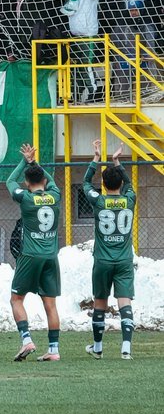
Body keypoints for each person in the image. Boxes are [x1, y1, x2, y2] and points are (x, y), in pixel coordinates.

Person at [6, 142, 62, 362]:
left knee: (16, 299)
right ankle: (54, 350)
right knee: (50, 304)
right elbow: (52, 181)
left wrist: (25, 162)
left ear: (27, 183)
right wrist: (35, 163)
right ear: (45, 182)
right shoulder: (55, 195)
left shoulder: (26, 198)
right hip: (51, 256)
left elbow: (10, 181)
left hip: (30, 255)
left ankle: (27, 339)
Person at [82, 140, 137, 360]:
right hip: (124, 260)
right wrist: (117, 162)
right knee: (125, 302)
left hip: (103, 260)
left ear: (103, 185)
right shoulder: (129, 199)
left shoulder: (99, 201)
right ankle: (126, 348)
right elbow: (130, 184)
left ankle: (97, 347)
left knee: (100, 303)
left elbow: (86, 183)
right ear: (120, 185)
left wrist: (96, 158)